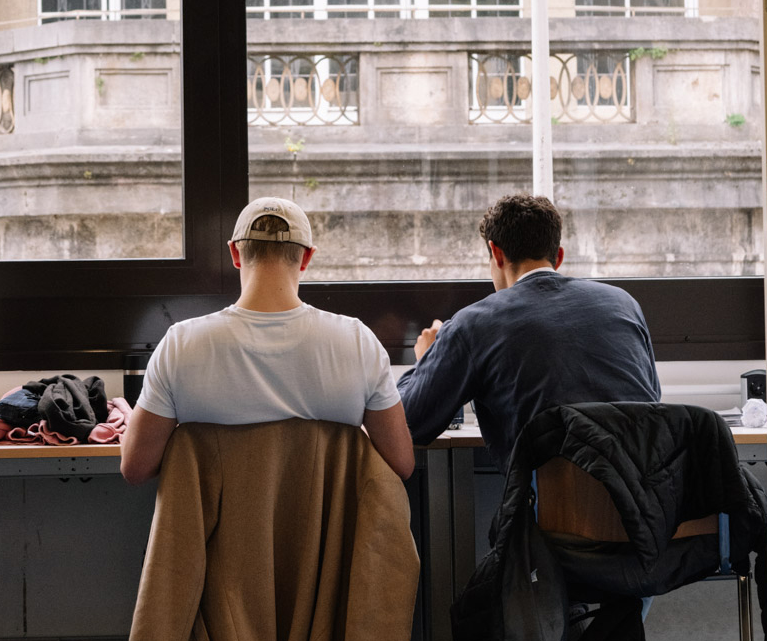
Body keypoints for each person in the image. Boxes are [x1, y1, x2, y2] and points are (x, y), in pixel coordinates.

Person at [120, 196, 414, 484]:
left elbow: (135, 468)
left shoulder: (180, 345)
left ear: (235, 253)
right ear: (307, 258)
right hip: (326, 519)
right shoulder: (358, 342)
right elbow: (402, 464)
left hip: (220, 519)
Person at [396, 193, 660, 471]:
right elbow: (651, 400)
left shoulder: (474, 323)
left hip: (551, 494)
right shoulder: (624, 304)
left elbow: (408, 424)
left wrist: (427, 360)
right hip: (648, 493)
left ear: (496, 253)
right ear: (558, 256)